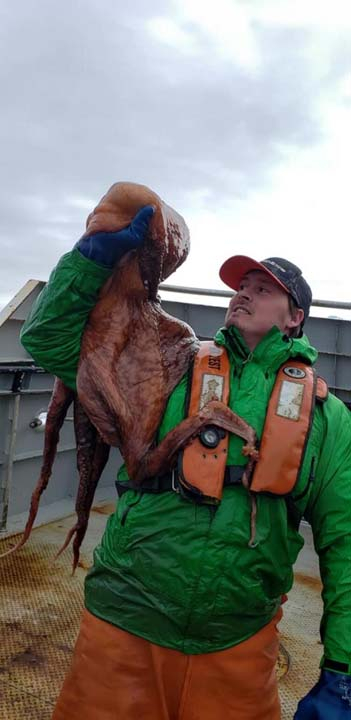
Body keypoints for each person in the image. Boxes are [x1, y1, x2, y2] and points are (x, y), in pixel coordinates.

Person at [20, 203, 351, 720]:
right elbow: (49, 342)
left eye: (263, 289)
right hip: (122, 621)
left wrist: (343, 667)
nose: (243, 293)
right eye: (241, 285)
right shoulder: (172, 363)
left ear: (295, 318)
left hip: (238, 642)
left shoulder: (327, 416)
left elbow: (344, 540)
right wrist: (89, 262)